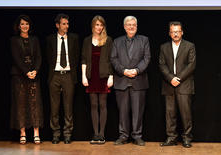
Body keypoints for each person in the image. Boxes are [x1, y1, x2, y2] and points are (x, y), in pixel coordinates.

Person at [110, 16, 151, 146]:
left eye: (133, 24)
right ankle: (123, 136)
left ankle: (137, 136)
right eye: (129, 24)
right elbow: (113, 59)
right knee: (122, 112)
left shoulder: (144, 40)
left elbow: (147, 58)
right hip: (122, 80)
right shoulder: (116, 41)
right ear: (124, 27)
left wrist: (137, 70)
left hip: (138, 80)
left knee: (138, 112)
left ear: (137, 26)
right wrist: (124, 71)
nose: (131, 27)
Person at [159, 21, 196, 148]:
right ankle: (171, 138)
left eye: (178, 31)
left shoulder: (190, 46)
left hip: (184, 85)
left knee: (186, 114)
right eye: (173, 32)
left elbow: (192, 65)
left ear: (182, 32)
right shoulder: (163, 47)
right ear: (169, 33)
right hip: (168, 85)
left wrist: (178, 78)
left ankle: (187, 138)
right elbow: (162, 65)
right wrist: (171, 78)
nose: (175, 34)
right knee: (170, 114)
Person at [46, 13, 79, 144]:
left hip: (68, 76)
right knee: (54, 107)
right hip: (54, 75)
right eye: (64, 24)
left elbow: (76, 56)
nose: (66, 26)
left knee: (68, 107)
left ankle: (67, 134)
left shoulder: (74, 38)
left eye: (67, 24)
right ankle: (55, 134)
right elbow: (48, 58)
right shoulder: (50, 39)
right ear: (57, 25)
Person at [10, 15, 43, 144]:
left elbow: (39, 57)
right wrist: (26, 72)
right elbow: (16, 58)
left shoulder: (35, 39)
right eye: (22, 24)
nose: (25, 26)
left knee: (35, 103)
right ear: (18, 26)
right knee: (21, 104)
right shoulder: (14, 40)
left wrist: (35, 70)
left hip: (34, 75)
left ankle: (36, 133)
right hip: (19, 75)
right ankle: (22, 133)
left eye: (27, 24)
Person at [81, 15, 113, 144]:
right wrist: (83, 76)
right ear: (93, 26)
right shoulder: (87, 40)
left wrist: (111, 76)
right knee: (93, 105)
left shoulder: (108, 40)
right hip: (91, 76)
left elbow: (112, 60)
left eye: (101, 25)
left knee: (103, 105)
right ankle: (95, 134)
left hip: (104, 76)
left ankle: (102, 134)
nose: (99, 27)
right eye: (97, 25)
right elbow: (84, 59)